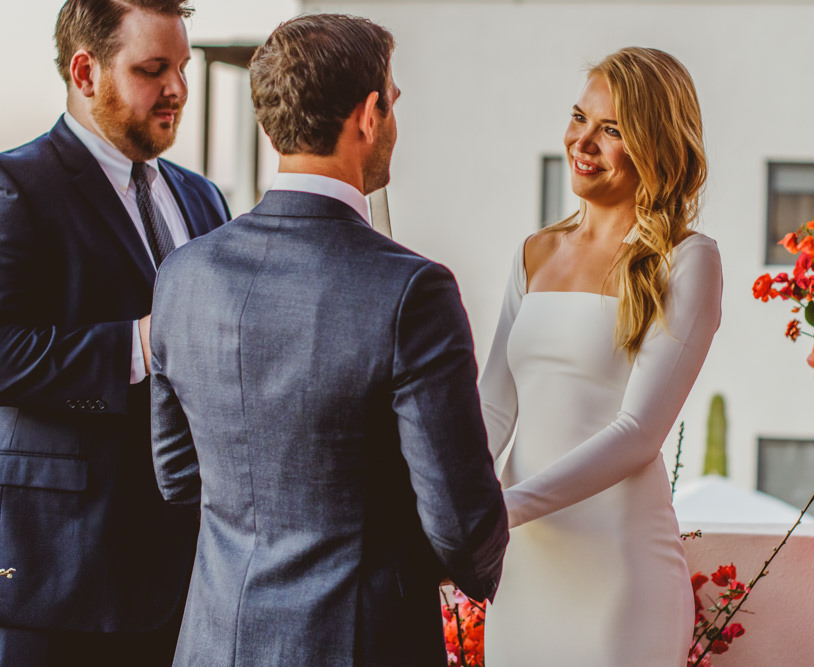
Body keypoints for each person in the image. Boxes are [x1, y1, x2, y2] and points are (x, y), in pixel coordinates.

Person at [149, 13, 508, 666]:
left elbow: (177, 476)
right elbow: (461, 523)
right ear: (369, 115)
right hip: (360, 640)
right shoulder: (412, 291)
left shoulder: (182, 274)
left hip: (213, 639)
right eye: (393, 102)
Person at [0, 0, 229, 664]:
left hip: (192, 573)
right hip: (63, 572)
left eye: (182, 67)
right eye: (153, 69)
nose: (178, 89)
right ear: (85, 70)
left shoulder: (204, 198)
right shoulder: (17, 186)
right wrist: (140, 342)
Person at [478, 47, 723, 666]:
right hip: (522, 569)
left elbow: (638, 432)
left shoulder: (688, 260)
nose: (582, 141)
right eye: (579, 118)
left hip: (620, 574)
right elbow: (493, 408)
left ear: (656, 145)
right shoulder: (535, 251)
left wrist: (500, 510)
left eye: (611, 130)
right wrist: (450, 504)